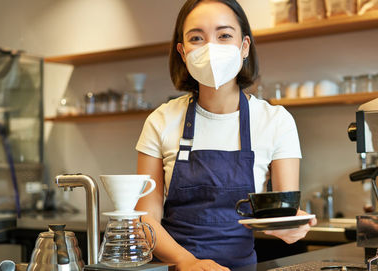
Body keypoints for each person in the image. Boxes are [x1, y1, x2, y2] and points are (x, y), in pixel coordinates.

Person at [134, 0, 316, 270]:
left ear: (244, 47)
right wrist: (189, 263)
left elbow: (282, 212)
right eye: (197, 38)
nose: (211, 48)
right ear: (183, 53)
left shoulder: (276, 122)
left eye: (224, 35)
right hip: (175, 267)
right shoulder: (160, 121)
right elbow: (145, 219)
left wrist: (291, 226)